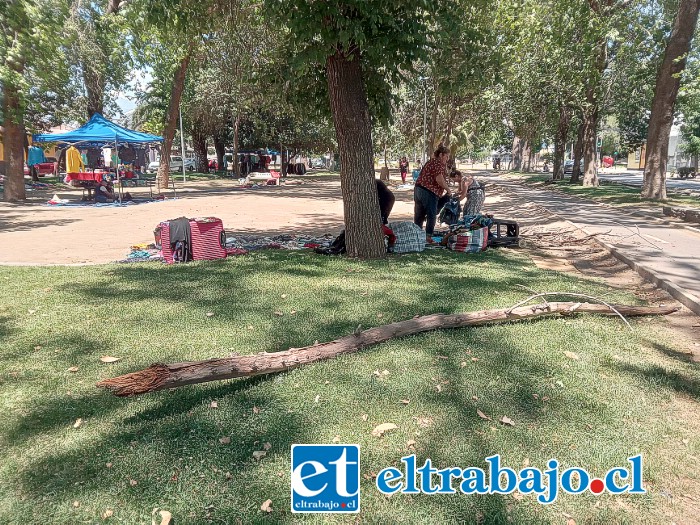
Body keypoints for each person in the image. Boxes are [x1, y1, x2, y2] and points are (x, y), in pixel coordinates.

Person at [414, 145, 451, 243]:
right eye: (446, 156)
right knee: (431, 214)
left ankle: (417, 235)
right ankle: (428, 237)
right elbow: (439, 179)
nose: (447, 159)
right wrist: (448, 189)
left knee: (419, 215)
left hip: (418, 189)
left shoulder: (430, 162)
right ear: (441, 155)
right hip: (429, 191)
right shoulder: (438, 163)